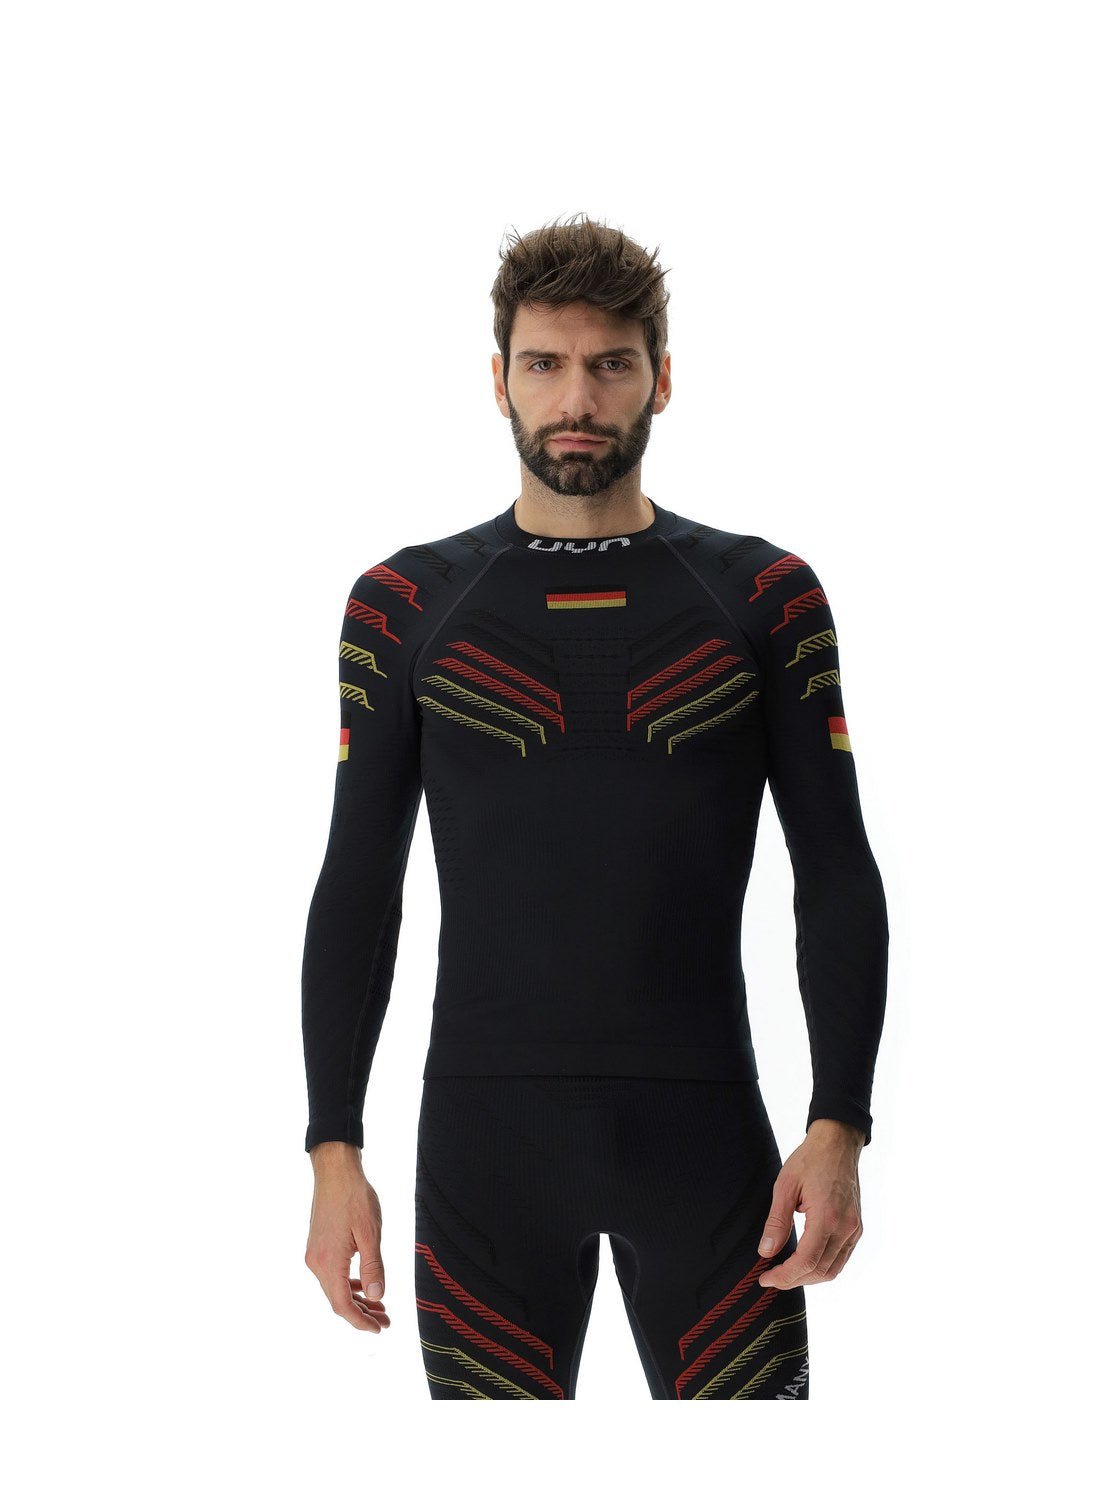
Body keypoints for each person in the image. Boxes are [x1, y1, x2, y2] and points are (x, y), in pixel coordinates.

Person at [301, 214, 889, 1399]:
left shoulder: (765, 597)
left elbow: (835, 868)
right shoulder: (405, 604)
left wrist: (840, 1124)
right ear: (500, 380)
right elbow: (359, 884)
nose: (577, 398)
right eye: (546, 363)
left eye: (611, 364)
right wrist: (332, 1147)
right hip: (484, 1153)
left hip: (709, 1149)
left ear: (661, 378)